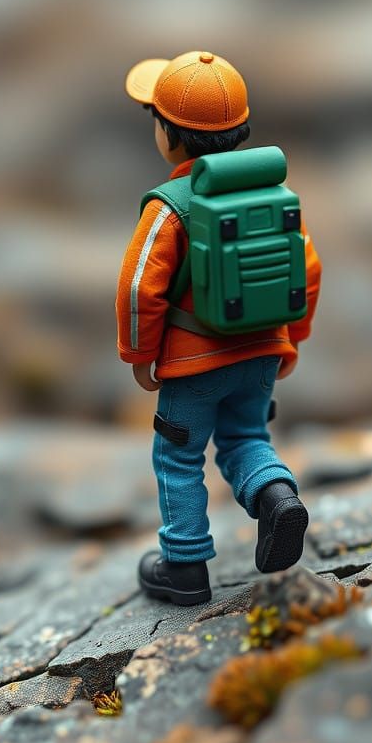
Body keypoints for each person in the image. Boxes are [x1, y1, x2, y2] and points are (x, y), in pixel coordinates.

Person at [117, 50, 322, 605]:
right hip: (260, 357)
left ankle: (183, 567)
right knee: (246, 439)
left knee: (179, 458)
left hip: (194, 366)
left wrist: (141, 357)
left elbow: (140, 286)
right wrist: (289, 342)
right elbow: (308, 269)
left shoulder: (170, 206)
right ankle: (277, 498)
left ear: (169, 135)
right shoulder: (271, 195)